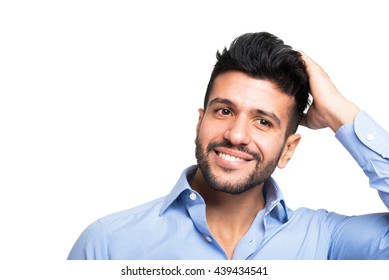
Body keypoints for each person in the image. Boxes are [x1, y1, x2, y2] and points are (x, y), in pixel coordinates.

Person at [68, 32, 389, 260]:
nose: (236, 135)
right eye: (224, 111)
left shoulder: (327, 244)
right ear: (200, 121)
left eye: (263, 121)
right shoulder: (107, 245)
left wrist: (339, 112)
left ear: (288, 149)